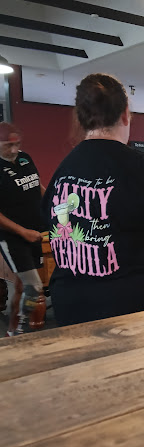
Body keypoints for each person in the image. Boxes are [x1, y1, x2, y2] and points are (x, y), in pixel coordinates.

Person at [41, 73, 144, 326]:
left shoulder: (62, 172)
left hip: (72, 308)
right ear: (125, 114)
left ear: (80, 118)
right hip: (136, 313)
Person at [0, 122, 46, 336]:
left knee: (21, 286)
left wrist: (54, 201)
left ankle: (12, 329)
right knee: (34, 287)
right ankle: (22, 330)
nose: (13, 150)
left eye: (17, 144)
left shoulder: (25, 158)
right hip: (13, 238)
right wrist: (22, 232)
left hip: (34, 233)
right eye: (7, 146)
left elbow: (36, 185)